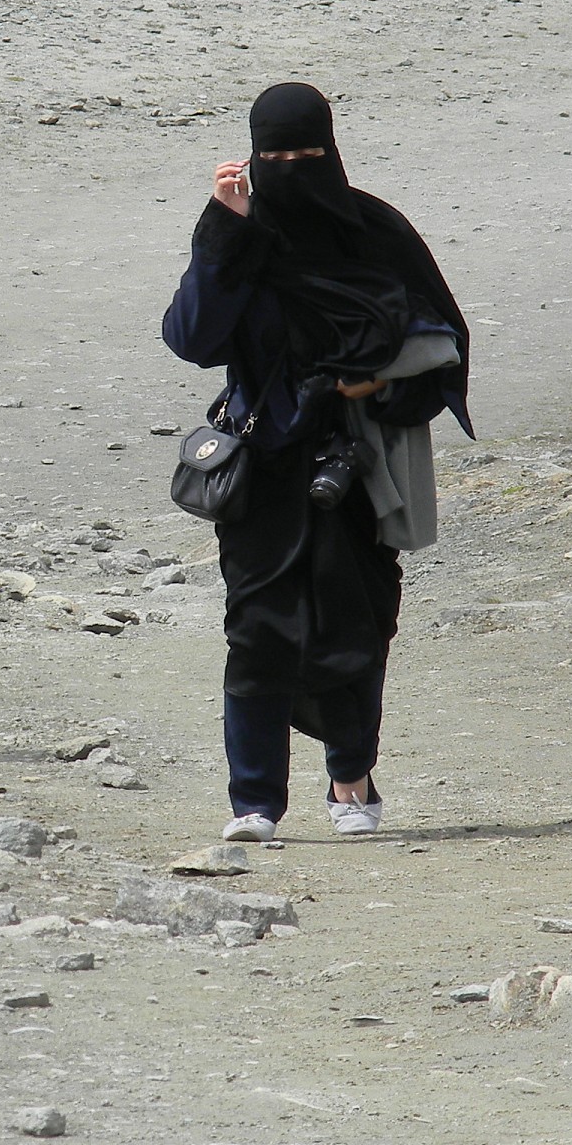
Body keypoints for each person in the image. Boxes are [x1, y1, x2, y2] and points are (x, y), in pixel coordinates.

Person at [163, 82, 472, 840]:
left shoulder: (373, 231)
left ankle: (351, 782)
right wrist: (226, 229)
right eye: (276, 156)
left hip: (360, 460)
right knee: (257, 629)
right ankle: (256, 804)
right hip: (264, 462)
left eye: (307, 154)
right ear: (253, 156)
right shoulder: (240, 233)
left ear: (331, 151)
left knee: (358, 624)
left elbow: (441, 341)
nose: (292, 169)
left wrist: (372, 385)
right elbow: (193, 338)